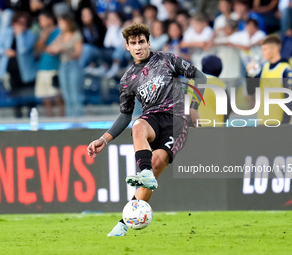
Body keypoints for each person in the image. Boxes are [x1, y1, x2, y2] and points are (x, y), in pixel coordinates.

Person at [87, 23, 207, 236]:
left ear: (149, 42)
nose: (138, 46)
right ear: (127, 47)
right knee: (138, 125)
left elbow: (199, 76)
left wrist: (194, 107)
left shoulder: (168, 60)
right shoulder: (127, 80)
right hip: (152, 118)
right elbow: (125, 115)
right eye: (133, 43)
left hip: (177, 120)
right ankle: (145, 173)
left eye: (141, 41)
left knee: (157, 163)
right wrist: (103, 140)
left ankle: (123, 223)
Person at [0, 11, 37, 118]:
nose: (20, 25)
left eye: (23, 23)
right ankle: (18, 120)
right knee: (15, 99)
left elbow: (22, 50)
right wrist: (5, 51)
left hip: (27, 73)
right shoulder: (6, 32)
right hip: (12, 72)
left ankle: (30, 121)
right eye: (19, 22)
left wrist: (19, 35)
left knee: (29, 100)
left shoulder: (30, 35)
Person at [246, 35, 292, 125]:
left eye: (265, 49)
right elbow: (251, 91)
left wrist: (285, 121)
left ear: (275, 49)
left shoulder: (285, 69)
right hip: (263, 120)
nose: (262, 52)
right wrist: (250, 74)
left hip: (279, 121)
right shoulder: (264, 67)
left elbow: (289, 98)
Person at [46, 14, 84, 117]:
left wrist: (63, 49)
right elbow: (49, 48)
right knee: (66, 96)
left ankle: (79, 120)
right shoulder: (61, 36)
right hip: (63, 66)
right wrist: (54, 49)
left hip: (73, 65)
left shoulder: (76, 35)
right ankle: (70, 120)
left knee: (75, 95)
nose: (60, 25)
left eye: (62, 23)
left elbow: (78, 54)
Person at [34, 11, 64, 117]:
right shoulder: (42, 33)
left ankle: (62, 121)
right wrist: (44, 37)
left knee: (57, 98)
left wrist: (45, 46)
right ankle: (49, 122)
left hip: (54, 68)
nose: (40, 22)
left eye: (42, 19)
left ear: (50, 20)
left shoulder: (58, 31)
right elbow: (37, 49)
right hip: (42, 68)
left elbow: (53, 49)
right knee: (45, 99)